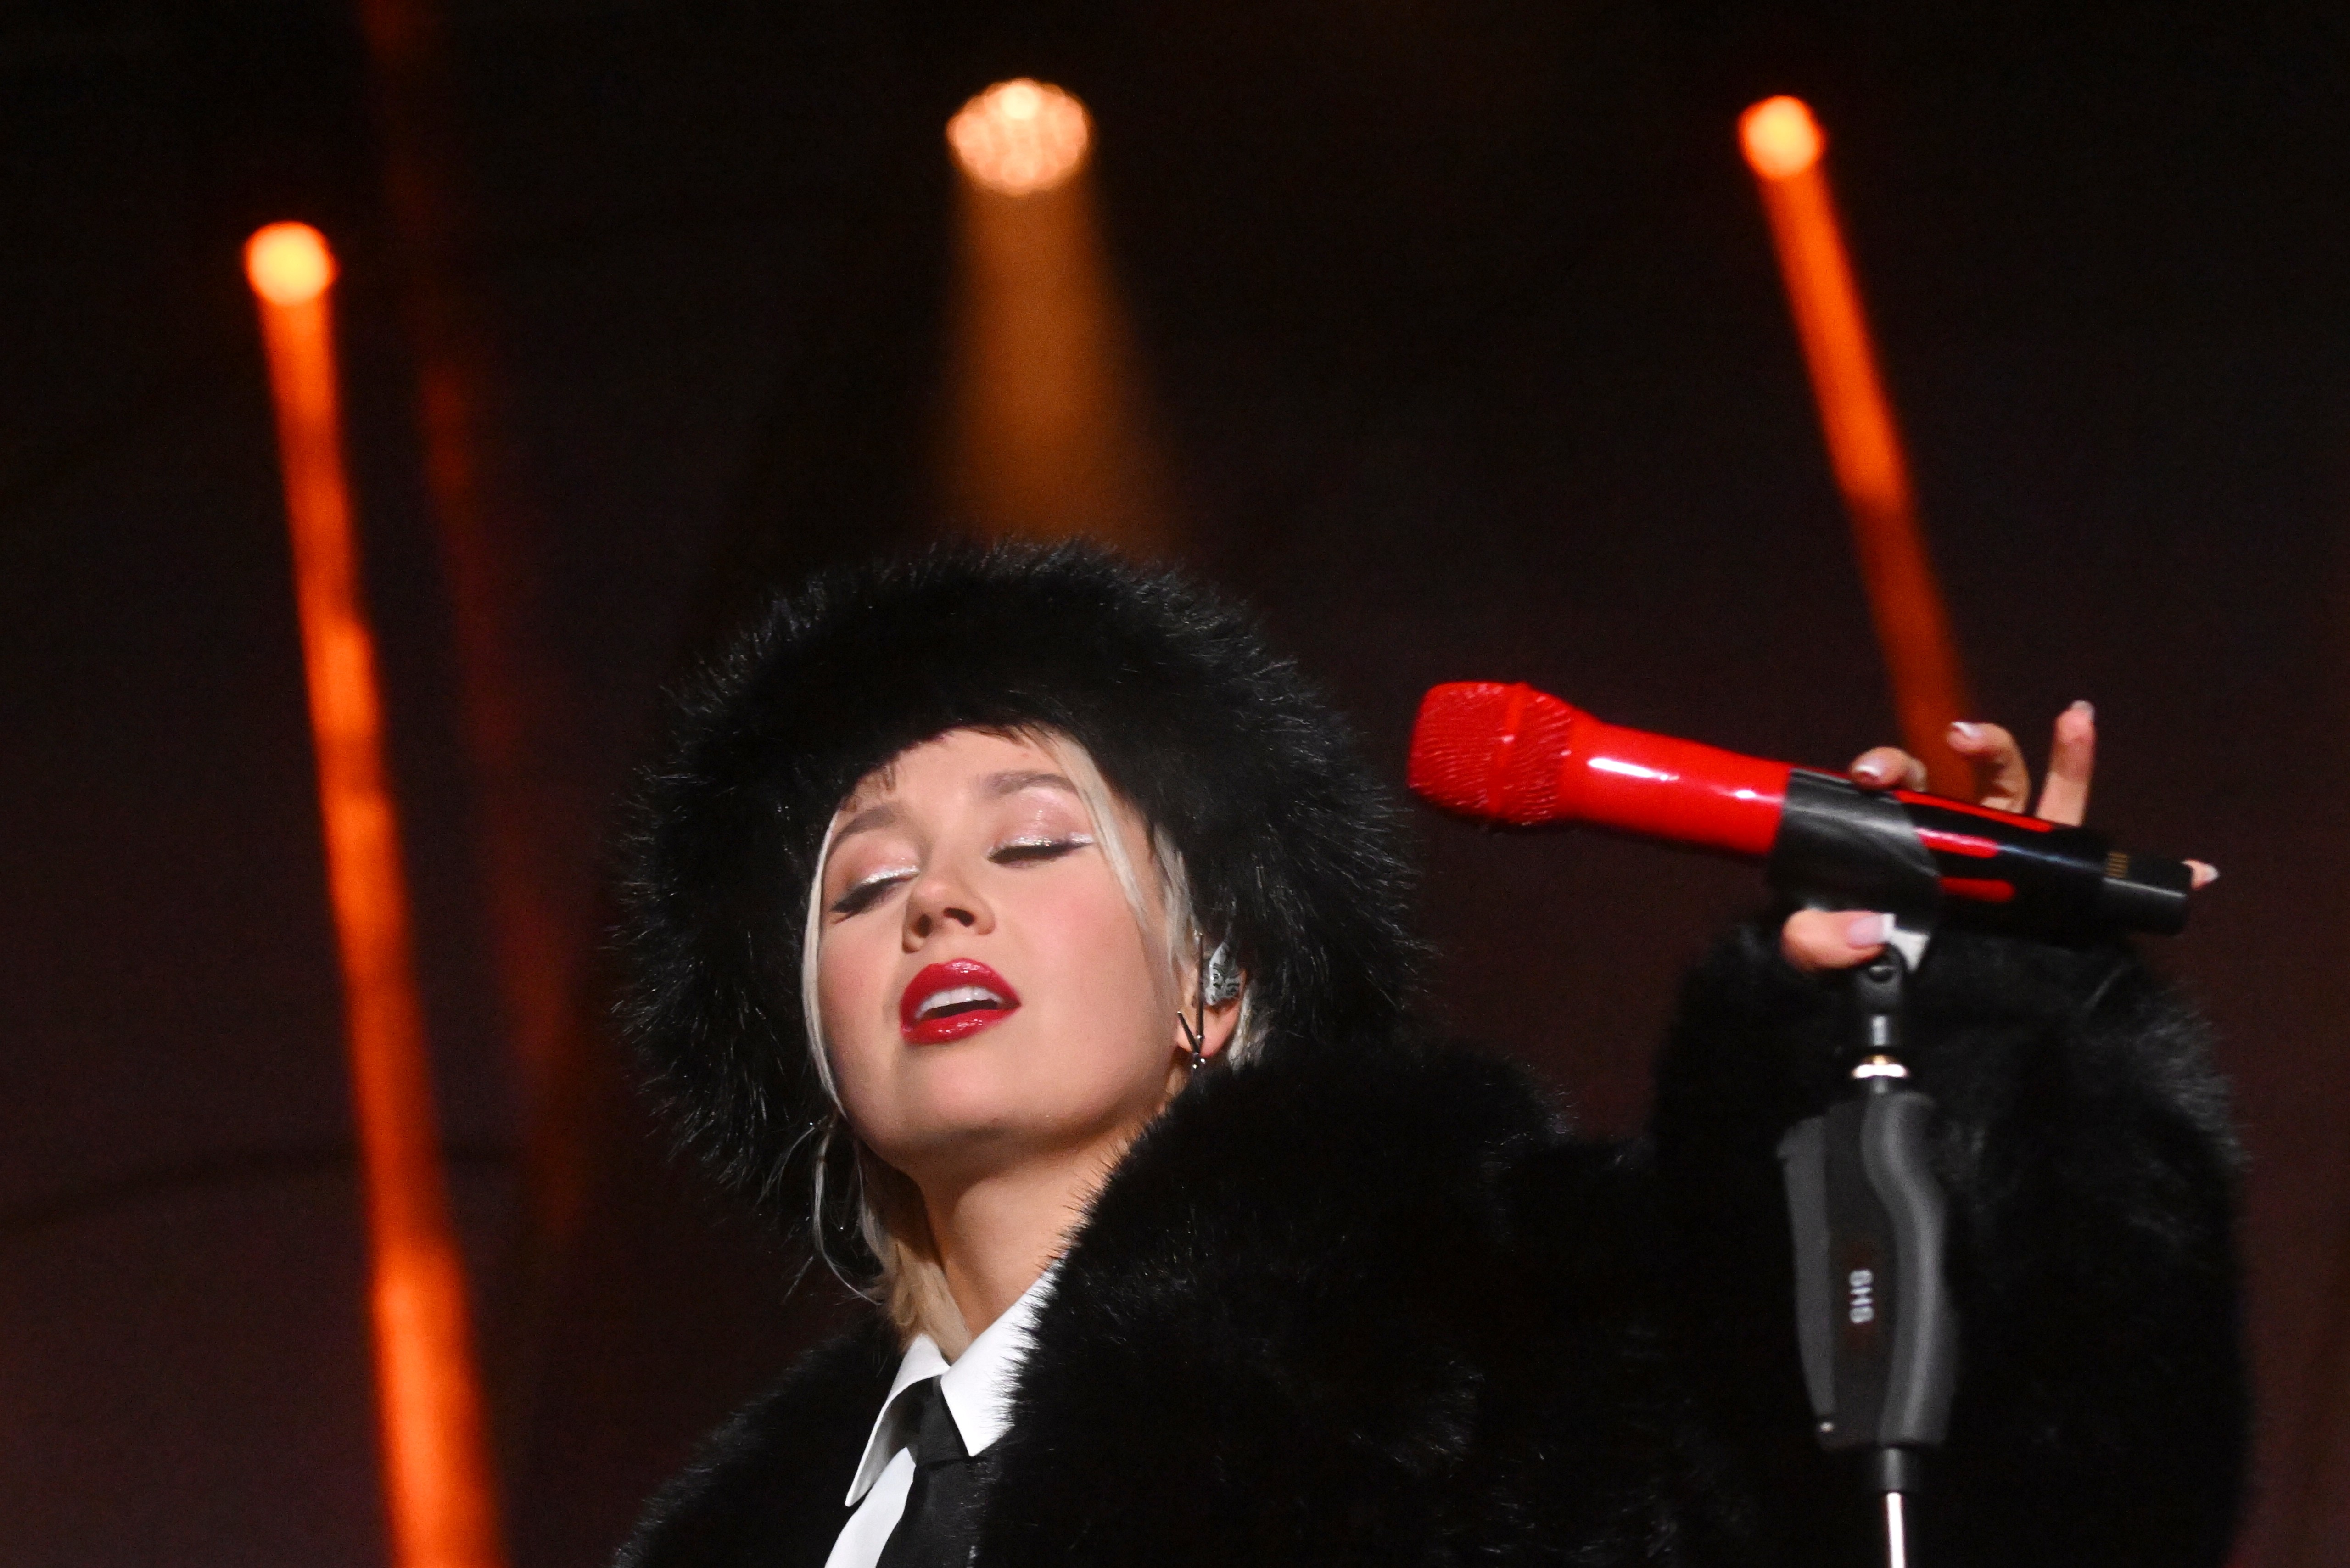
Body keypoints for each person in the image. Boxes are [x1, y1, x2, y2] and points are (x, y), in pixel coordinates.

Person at [613, 543, 2243, 1568]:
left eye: (1034, 842)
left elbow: (2043, 1498)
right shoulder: (755, 1533)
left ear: (1218, 983)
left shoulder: (1495, 1338)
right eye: (865, 887)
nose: (936, 903)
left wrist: (1997, 1065)